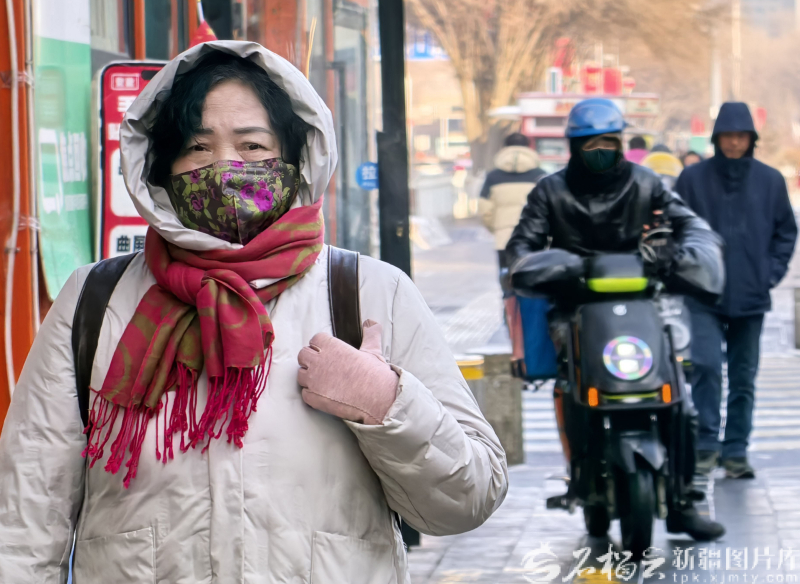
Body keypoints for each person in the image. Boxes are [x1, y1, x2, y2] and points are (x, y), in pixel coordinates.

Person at [0, 42, 508, 582]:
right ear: (160, 166)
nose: (226, 167)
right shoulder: (94, 301)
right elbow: (24, 524)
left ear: (297, 156)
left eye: (253, 145)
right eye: (198, 147)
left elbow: (466, 500)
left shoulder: (369, 293)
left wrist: (387, 404)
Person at [506, 97, 726, 541]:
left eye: (607, 141)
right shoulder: (550, 191)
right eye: (589, 144)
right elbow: (520, 249)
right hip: (575, 311)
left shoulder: (647, 183)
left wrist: (682, 253)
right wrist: (551, 268)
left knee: (678, 400)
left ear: (621, 142)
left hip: (643, 308)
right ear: (573, 146)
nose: (599, 150)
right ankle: (581, 476)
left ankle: (684, 500)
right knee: (572, 390)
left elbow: (688, 223)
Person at [675, 102, 798, 479]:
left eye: (741, 136)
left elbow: (785, 232)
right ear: (716, 138)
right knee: (706, 367)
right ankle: (706, 445)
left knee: (744, 377)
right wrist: (685, 271)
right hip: (703, 293)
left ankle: (736, 451)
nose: (734, 143)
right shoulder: (692, 179)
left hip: (751, 293)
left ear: (751, 139)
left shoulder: (770, 180)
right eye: (728, 136)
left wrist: (769, 274)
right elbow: (674, 228)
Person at [479, 132, 546, 291]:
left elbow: (484, 209)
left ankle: (508, 303)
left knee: (506, 278)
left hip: (504, 237)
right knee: (532, 281)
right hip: (533, 237)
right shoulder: (540, 175)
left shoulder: (492, 177)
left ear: (504, 148)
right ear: (529, 147)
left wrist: (496, 228)